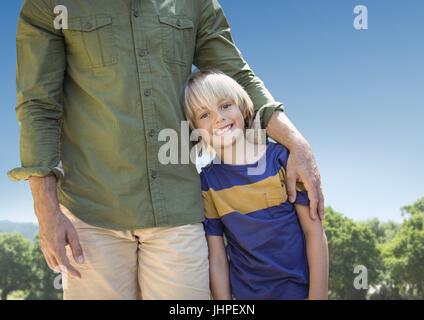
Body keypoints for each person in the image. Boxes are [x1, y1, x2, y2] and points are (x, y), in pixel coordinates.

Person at [8, 0, 324, 299]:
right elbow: (38, 106)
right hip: (91, 212)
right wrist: (45, 210)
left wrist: (296, 141)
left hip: (177, 210)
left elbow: (237, 75)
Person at [183, 70, 328, 299]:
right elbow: (218, 259)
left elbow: (314, 234)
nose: (218, 118)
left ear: (243, 107)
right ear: (195, 131)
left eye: (225, 105)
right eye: (204, 115)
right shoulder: (208, 183)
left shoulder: (282, 159)